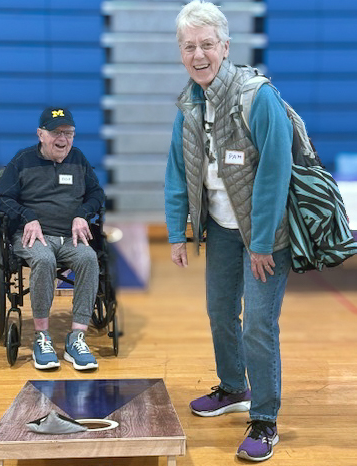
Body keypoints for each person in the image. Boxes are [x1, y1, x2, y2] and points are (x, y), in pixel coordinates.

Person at [164, 1, 293, 462]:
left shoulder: (258, 97)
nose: (198, 55)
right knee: (220, 312)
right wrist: (179, 232)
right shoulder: (189, 104)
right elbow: (179, 171)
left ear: (225, 47)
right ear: (180, 53)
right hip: (219, 227)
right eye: (189, 46)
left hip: (266, 233)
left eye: (207, 45)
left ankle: (264, 417)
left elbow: (276, 171)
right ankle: (234, 387)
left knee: (259, 323)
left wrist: (260, 242)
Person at [0, 106, 105, 371]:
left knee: (89, 258)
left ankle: (77, 337)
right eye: (56, 132)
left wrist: (82, 214)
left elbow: (97, 195)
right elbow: (1, 199)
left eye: (69, 133)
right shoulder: (22, 161)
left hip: (70, 237)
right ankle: (41, 336)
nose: (63, 139)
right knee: (42, 259)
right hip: (33, 235)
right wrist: (27, 215)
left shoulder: (78, 159)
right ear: (41, 134)